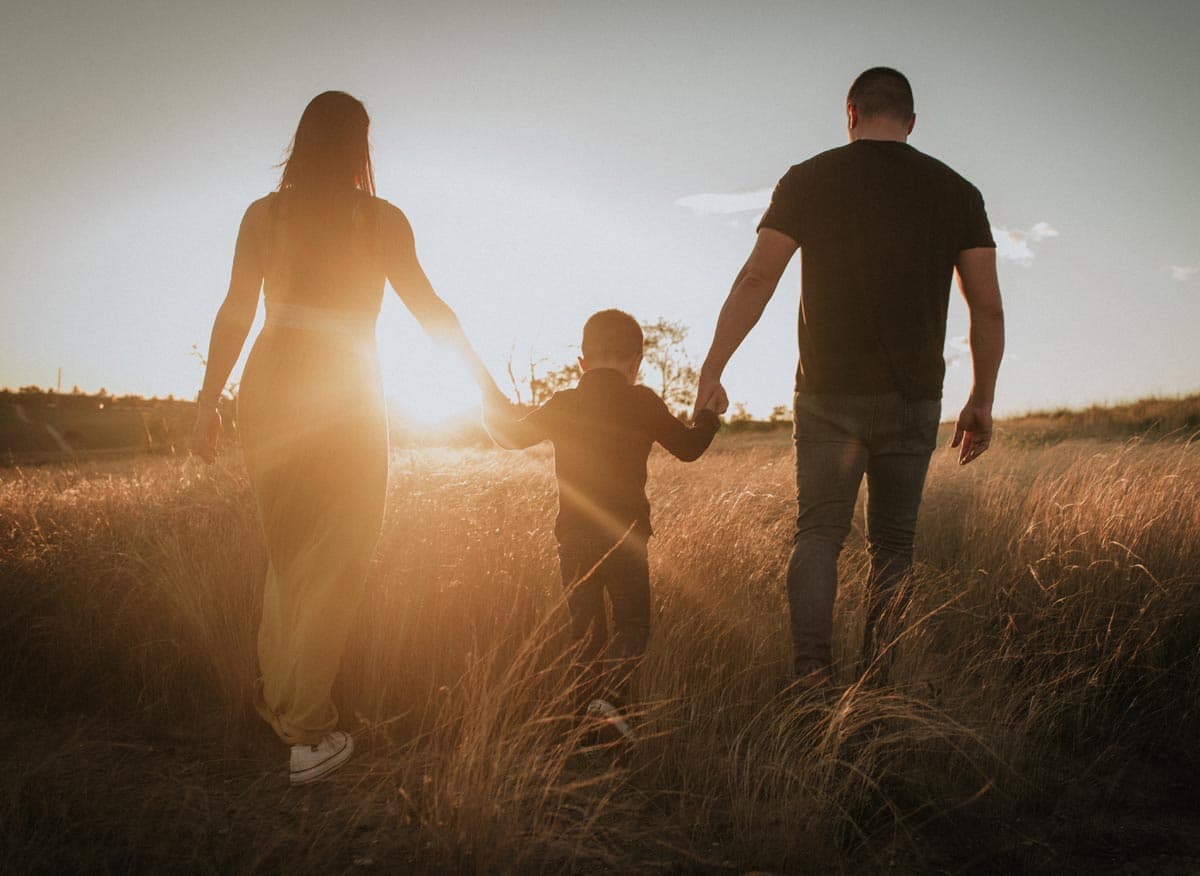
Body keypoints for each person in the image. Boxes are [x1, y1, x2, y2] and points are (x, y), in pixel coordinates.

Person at [191, 91, 501, 783]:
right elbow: (429, 308)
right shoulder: (380, 219)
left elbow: (237, 310)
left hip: (269, 380)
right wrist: (484, 388)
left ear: (301, 140)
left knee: (290, 549)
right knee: (343, 549)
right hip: (345, 380)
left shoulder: (263, 215)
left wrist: (209, 399)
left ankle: (280, 705)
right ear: (360, 144)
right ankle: (308, 733)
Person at [693, 68, 1005, 685]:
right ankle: (878, 688)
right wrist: (981, 399)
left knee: (819, 535)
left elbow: (758, 278)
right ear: (911, 122)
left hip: (829, 396)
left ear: (851, 113)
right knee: (893, 547)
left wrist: (713, 367)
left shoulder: (808, 179)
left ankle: (811, 674)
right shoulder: (958, 192)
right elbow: (987, 305)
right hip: (913, 398)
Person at [484, 310, 722, 723]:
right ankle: (611, 705)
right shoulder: (642, 400)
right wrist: (709, 416)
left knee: (586, 633)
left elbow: (509, 437)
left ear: (582, 361)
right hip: (627, 537)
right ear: (637, 363)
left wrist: (486, 405)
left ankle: (583, 721)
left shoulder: (564, 402)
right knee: (632, 626)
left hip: (574, 539)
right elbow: (688, 448)